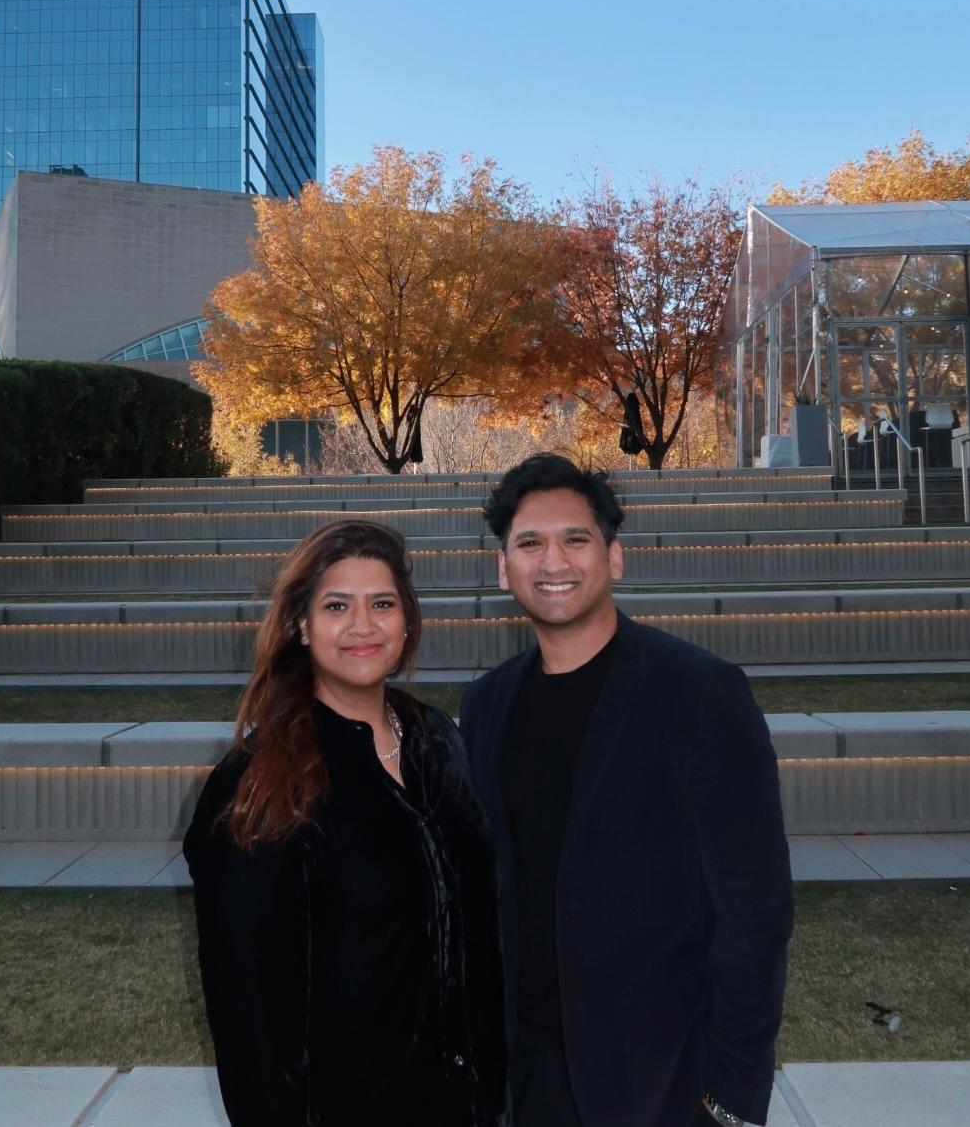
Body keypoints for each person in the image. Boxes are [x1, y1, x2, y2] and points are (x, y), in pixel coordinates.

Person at [458, 454, 794, 1127]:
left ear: (614, 558)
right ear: (503, 568)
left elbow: (756, 911)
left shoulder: (699, 692)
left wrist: (729, 1103)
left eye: (575, 539)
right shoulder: (487, 703)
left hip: (661, 1085)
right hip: (525, 1082)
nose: (553, 561)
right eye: (530, 542)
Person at [184, 519, 509, 1127]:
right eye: (337, 606)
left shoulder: (440, 741)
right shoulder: (259, 781)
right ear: (302, 627)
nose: (363, 625)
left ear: (407, 621)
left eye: (382, 604)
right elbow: (249, 1019)